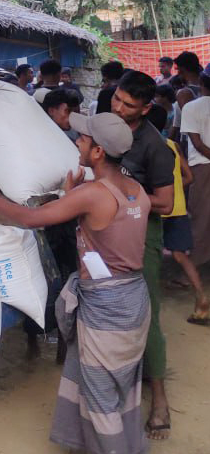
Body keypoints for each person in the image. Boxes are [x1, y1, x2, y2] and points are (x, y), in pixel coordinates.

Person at [0, 112, 150, 454]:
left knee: (101, 397)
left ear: (98, 152)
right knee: (121, 385)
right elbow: (105, 228)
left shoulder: (94, 195)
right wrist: (74, 193)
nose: (77, 142)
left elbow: (31, 218)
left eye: (83, 140)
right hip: (133, 301)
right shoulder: (135, 189)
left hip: (106, 309)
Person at [111, 70, 175, 440]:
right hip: (105, 228)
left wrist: (125, 195)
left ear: (147, 108)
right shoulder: (108, 122)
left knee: (145, 313)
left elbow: (165, 203)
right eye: (117, 98)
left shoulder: (154, 146)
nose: (118, 108)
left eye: (128, 105)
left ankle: (160, 397)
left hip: (141, 234)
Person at [146, 105, 210, 325]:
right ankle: (202, 297)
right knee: (180, 255)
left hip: (154, 210)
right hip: (177, 208)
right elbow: (189, 178)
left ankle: (148, 306)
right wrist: (172, 191)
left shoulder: (145, 147)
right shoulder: (172, 145)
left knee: (147, 254)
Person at [179, 73, 210, 279]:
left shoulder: (191, 107)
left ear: (201, 84)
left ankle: (195, 269)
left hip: (202, 166)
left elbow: (197, 143)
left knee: (200, 217)